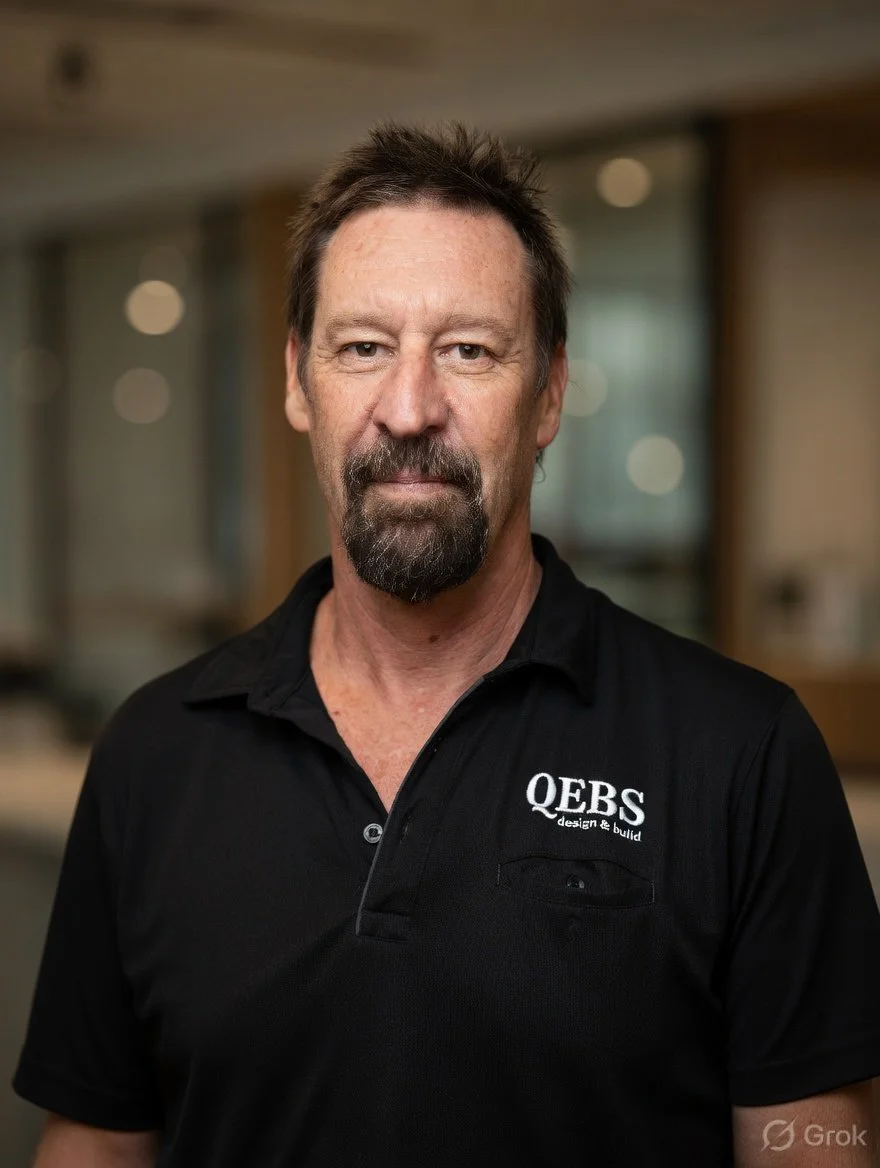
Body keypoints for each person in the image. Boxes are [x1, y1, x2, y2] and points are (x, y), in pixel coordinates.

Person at [13, 122, 880, 1168]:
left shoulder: (739, 753)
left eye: (469, 350)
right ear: (297, 381)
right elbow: (97, 1145)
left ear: (549, 392)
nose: (410, 407)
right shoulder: (155, 753)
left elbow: (810, 1141)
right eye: (362, 347)